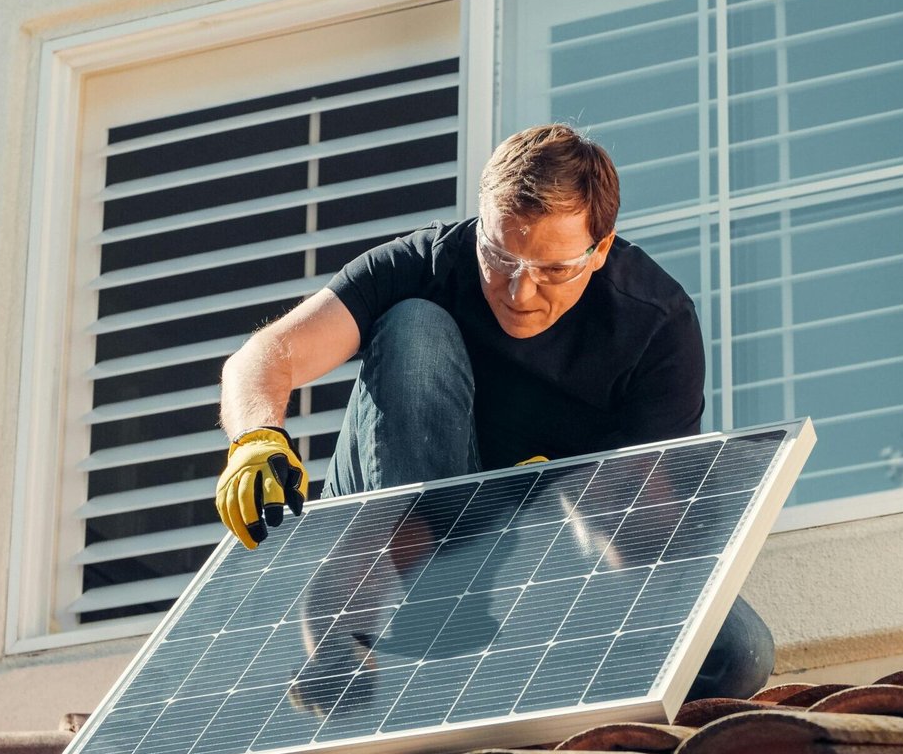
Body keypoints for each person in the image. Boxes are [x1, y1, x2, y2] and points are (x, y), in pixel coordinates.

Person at [214, 122, 774, 701]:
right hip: (410, 530)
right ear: (480, 225)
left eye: (554, 270)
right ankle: (397, 597)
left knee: (736, 655)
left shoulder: (654, 325)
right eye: (499, 256)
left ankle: (508, 642)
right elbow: (265, 357)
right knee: (414, 325)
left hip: (544, 556)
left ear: (601, 248)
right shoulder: (427, 263)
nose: (518, 291)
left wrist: (585, 503)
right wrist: (255, 438)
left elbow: (658, 539)